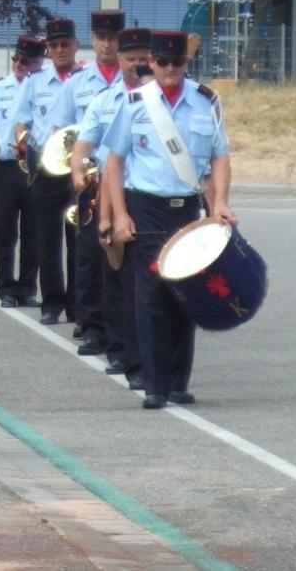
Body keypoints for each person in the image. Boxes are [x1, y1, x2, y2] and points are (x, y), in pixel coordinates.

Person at [102, 30, 235, 410]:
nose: (171, 68)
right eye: (163, 62)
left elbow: (219, 157)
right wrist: (121, 214)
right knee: (151, 297)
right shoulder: (134, 104)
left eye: (178, 62)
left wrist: (220, 203)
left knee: (185, 294)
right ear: (152, 63)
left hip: (187, 210)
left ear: (185, 63)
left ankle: (179, 381)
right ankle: (155, 384)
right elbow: (114, 162)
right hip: (147, 208)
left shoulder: (205, 101)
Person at [72, 27, 151, 382]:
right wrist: (78, 173)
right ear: (119, 60)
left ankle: (152, 350)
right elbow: (84, 148)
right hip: (109, 190)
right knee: (115, 276)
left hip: (150, 194)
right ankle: (118, 349)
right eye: (131, 59)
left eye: (142, 59)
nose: (137, 65)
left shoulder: (160, 101)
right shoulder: (105, 102)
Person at [46, 10, 125, 356]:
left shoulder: (136, 80)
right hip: (91, 181)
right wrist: (75, 171)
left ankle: (121, 326)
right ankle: (92, 325)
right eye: (101, 38)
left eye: (113, 38)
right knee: (90, 254)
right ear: (92, 41)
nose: (107, 44)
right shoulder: (77, 83)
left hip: (125, 180)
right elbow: (61, 132)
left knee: (122, 256)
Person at [10, 18, 79, 326]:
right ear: (48, 49)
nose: (60, 50)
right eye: (54, 45)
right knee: (47, 238)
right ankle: (52, 301)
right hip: (45, 167)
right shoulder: (34, 82)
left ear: (76, 45)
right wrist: (23, 142)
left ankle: (79, 304)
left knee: (79, 239)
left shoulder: (84, 79)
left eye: (66, 44)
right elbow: (20, 121)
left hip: (78, 166)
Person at [0, 34, 44, 308]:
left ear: (37, 63)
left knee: (33, 231)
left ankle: (27, 288)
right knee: (4, 231)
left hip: (37, 168)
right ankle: (6, 288)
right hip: (7, 166)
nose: (18, 64)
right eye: (15, 58)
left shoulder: (45, 88)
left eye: (24, 61)